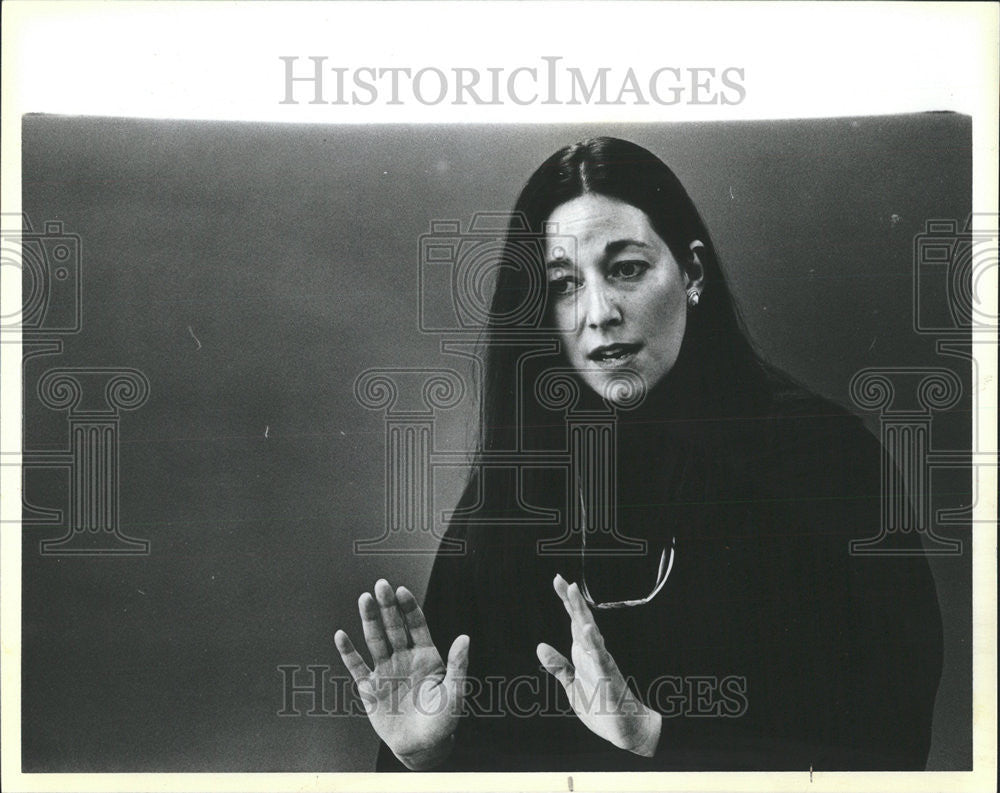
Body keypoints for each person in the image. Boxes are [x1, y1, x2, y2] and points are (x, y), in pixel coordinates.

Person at [334, 137, 944, 772]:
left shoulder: (822, 456)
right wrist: (426, 755)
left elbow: (889, 739)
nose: (599, 313)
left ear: (693, 273)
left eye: (625, 268)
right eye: (564, 285)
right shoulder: (515, 484)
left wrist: (655, 736)